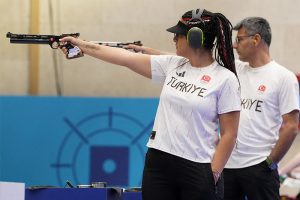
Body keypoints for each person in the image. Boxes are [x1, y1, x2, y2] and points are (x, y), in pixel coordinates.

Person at [60, 8, 241, 200]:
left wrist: (212, 174)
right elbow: (124, 58)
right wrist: (81, 44)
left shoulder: (225, 79)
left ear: (194, 38)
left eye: (178, 35)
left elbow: (230, 134)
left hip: (198, 167)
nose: (173, 40)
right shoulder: (173, 65)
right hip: (159, 162)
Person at [126, 17, 300, 200]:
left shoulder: (284, 77)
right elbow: (179, 59)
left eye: (239, 39)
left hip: (259, 166)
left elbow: (291, 127)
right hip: (228, 165)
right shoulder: (232, 70)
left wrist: (270, 163)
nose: (234, 45)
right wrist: (143, 51)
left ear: (256, 39)